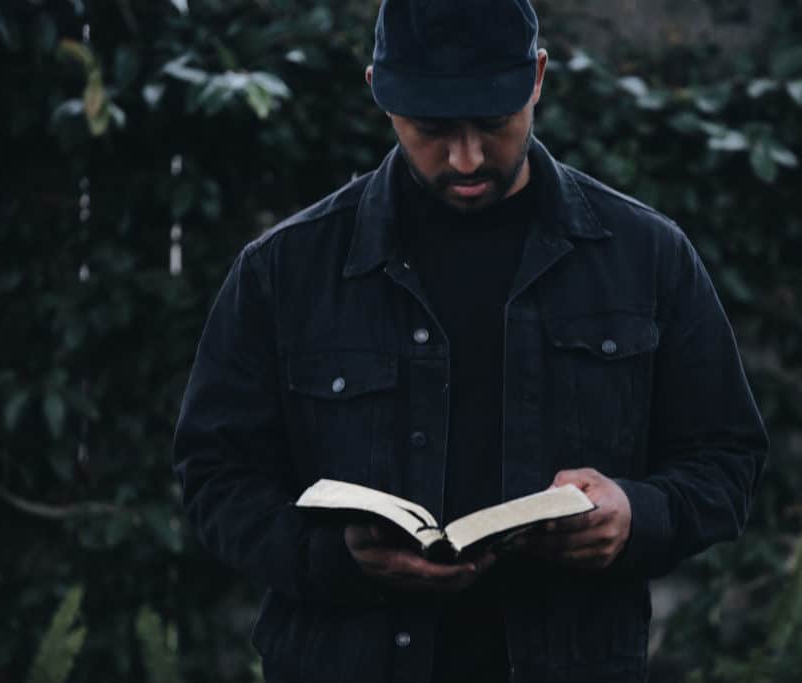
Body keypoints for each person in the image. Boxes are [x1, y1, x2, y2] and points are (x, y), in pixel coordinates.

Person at [173, 0, 768, 681]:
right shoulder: (284, 271)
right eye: (431, 128)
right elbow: (216, 475)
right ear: (379, 91)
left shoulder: (646, 256)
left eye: (493, 122)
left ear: (538, 78)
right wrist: (336, 557)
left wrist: (637, 515)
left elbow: (727, 456)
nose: (466, 156)